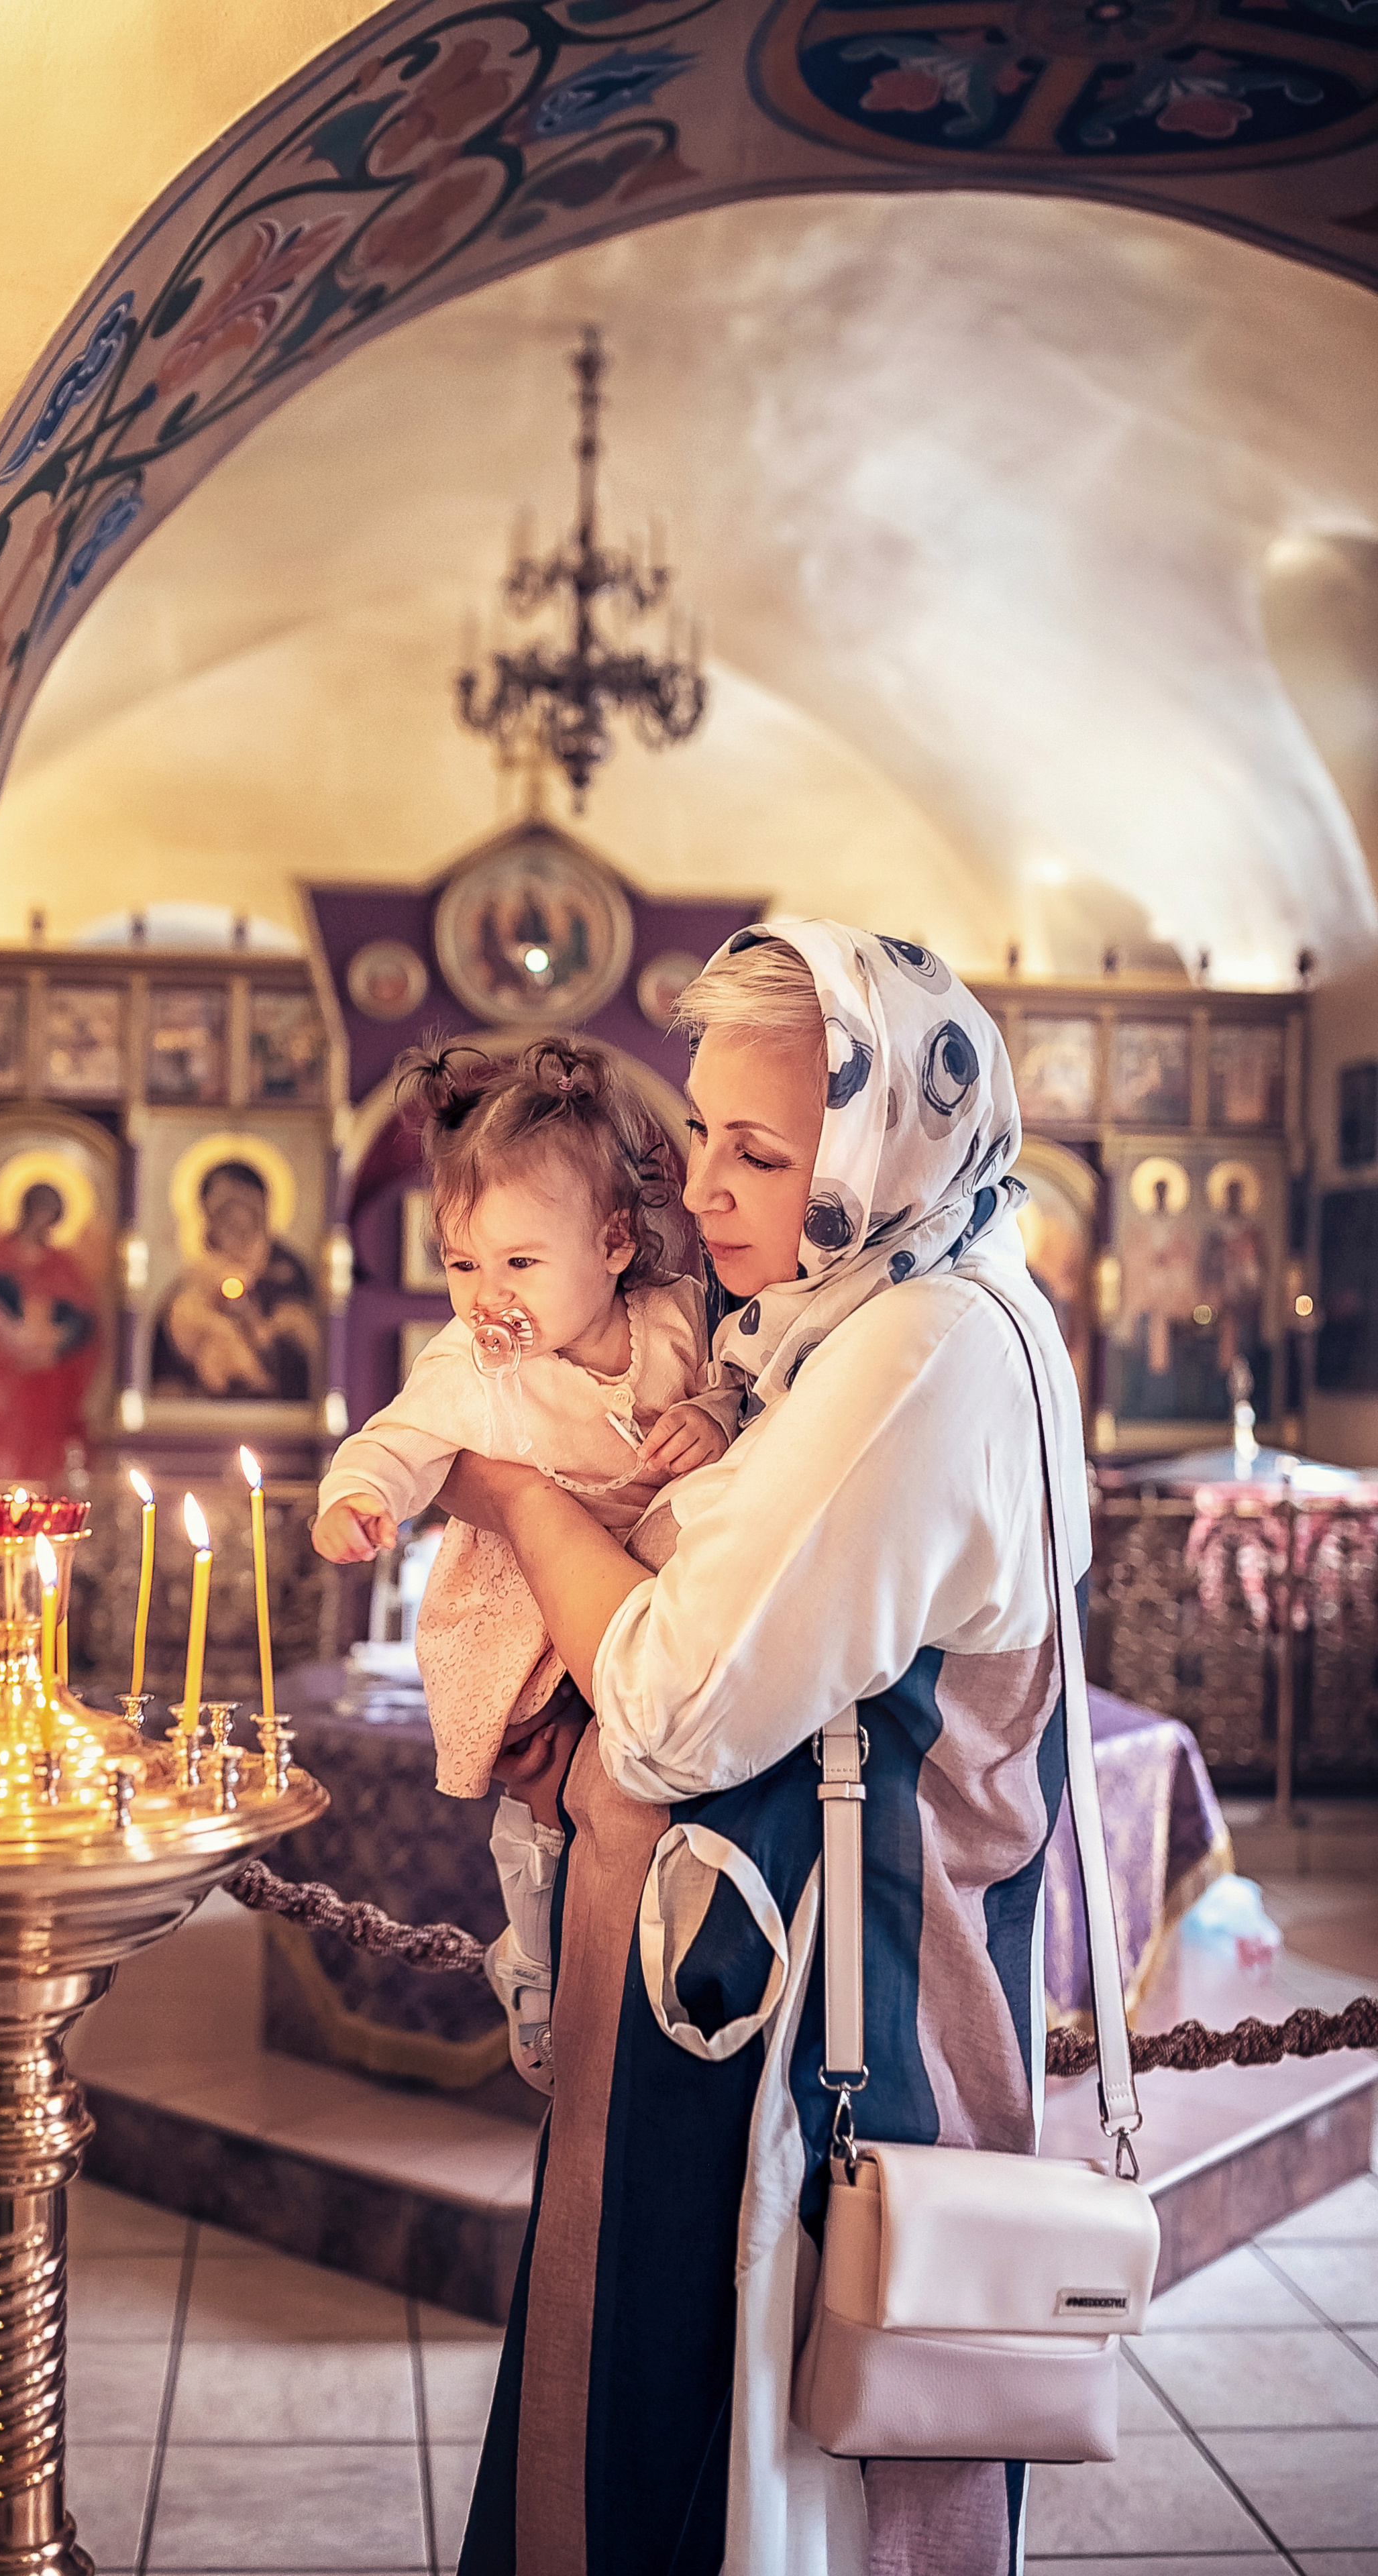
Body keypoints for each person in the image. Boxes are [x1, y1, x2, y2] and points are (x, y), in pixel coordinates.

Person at [439, 923, 1089, 2576]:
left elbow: (666, 1702)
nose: (701, 1191)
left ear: (880, 1142)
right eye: (703, 1136)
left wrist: (510, 1496)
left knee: (758, 2476)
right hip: (759, 2003)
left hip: (812, 2053)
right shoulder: (842, 1320)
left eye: (759, 1147)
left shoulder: (912, 1351)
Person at [313, 1037, 739, 1819]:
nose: (486, 1297)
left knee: (646, 1772)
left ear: (612, 1243)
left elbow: (738, 1388)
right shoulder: (473, 1365)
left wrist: (708, 1414)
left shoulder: (679, 1317)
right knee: (554, 1777)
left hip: (656, 1601)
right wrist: (357, 1496)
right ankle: (546, 1883)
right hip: (526, 1603)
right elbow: (392, 1440)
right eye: (464, 1265)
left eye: (519, 1264)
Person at [152, 1158, 317, 1400]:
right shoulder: (195, 1278)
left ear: (261, 1212)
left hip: (275, 1409)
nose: (235, 1224)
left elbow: (305, 1350)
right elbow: (165, 1362)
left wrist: (269, 1332)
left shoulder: (289, 1273)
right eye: (223, 1213)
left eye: (244, 1210)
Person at [0, 1181, 99, 1480]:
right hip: (5, 1376)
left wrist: (54, 1345)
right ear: (27, 1210)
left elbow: (84, 1324)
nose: (45, 1221)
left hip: (48, 1379)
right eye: (41, 1211)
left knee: (44, 1453)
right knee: (3, 1450)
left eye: (52, 1215)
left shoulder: (62, 1265)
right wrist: (9, 1334)